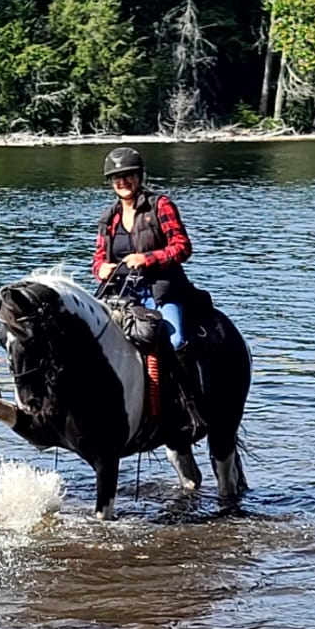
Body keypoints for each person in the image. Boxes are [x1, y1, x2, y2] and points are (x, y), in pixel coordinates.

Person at [92, 146, 206, 433]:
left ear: (139, 176)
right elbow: (98, 257)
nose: (122, 182)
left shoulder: (160, 205)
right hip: (120, 294)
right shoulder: (109, 217)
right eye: (116, 178)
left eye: (127, 176)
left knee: (177, 339)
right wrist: (100, 270)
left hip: (161, 290)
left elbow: (182, 247)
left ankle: (188, 408)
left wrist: (148, 259)